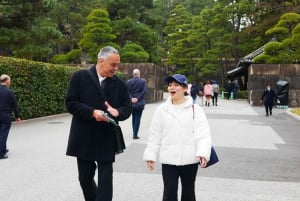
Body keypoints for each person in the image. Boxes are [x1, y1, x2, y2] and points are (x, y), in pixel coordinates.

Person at [65, 46, 132, 201]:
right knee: (84, 178)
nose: (116, 69)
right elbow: (71, 103)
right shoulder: (80, 77)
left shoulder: (120, 84)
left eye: (117, 65)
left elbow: (127, 108)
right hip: (83, 135)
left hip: (106, 137)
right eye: (113, 65)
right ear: (101, 61)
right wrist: (92, 112)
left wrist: (118, 112)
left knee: (105, 181)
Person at [143, 74, 212, 201]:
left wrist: (202, 153)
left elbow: (203, 134)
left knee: (188, 193)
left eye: (176, 85)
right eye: (170, 85)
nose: (171, 88)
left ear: (185, 88)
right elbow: (155, 135)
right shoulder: (161, 110)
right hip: (168, 159)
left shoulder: (195, 109)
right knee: (169, 193)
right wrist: (151, 155)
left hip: (190, 159)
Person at [0, 74, 21, 159]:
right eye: (10, 81)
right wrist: (17, 117)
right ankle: (1, 153)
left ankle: (3, 149)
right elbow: (14, 106)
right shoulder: (9, 92)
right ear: (7, 81)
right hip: (5, 116)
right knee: (3, 134)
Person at [127, 68, 147, 139]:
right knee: (138, 118)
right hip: (139, 102)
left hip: (131, 103)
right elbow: (144, 91)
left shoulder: (129, 81)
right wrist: (137, 98)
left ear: (133, 74)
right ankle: (135, 134)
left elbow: (127, 92)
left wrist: (131, 98)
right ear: (139, 74)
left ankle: (134, 132)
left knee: (133, 118)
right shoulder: (143, 81)